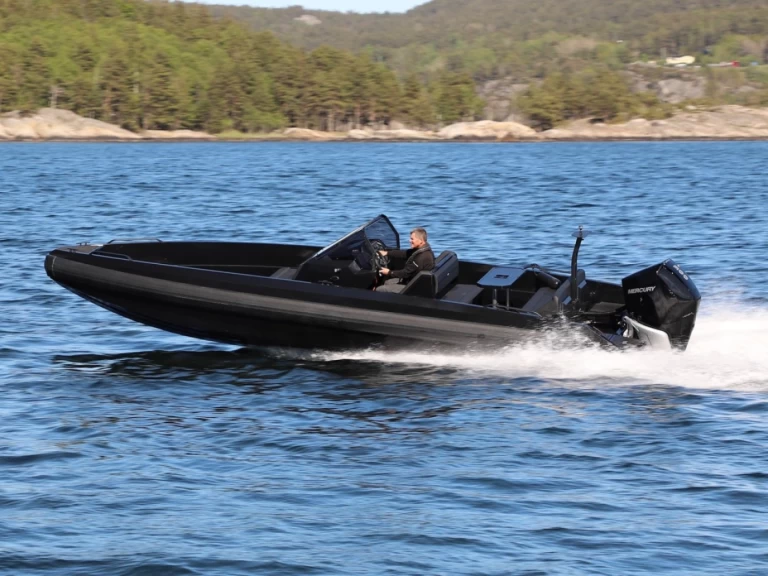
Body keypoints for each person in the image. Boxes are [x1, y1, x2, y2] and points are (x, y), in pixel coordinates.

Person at [376, 227, 435, 293]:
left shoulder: (421, 257)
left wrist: (389, 272)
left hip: (414, 287)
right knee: (387, 282)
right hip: (412, 280)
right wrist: (387, 253)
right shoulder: (422, 249)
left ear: (421, 241)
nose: (409, 241)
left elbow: (405, 273)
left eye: (412, 239)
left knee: (380, 289)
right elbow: (404, 253)